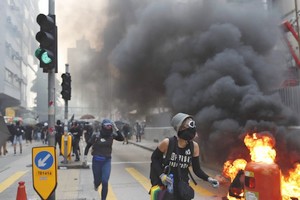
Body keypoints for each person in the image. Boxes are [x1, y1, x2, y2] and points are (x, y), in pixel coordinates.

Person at [150, 113, 219, 200]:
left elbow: (197, 169)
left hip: (183, 188)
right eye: (185, 126)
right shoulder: (167, 143)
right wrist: (161, 175)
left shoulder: (194, 146)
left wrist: (209, 179)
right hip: (167, 187)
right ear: (179, 128)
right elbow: (154, 158)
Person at [83, 119, 124, 200]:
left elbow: (121, 138)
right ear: (103, 126)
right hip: (96, 161)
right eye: (107, 125)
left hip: (106, 161)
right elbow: (88, 146)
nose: (109, 127)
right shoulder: (96, 135)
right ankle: (96, 184)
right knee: (97, 181)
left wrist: (116, 128)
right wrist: (84, 158)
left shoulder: (112, 135)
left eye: (110, 125)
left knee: (105, 181)